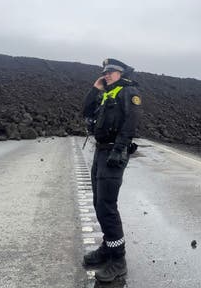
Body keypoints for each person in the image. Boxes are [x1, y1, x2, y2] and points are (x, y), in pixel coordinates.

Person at [81, 58, 141, 283]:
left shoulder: (128, 91)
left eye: (111, 72)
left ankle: (118, 260)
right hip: (101, 152)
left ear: (122, 73)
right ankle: (108, 247)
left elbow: (132, 121)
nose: (107, 75)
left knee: (106, 206)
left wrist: (120, 149)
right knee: (98, 202)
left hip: (113, 154)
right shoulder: (107, 93)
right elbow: (86, 110)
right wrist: (95, 88)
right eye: (105, 72)